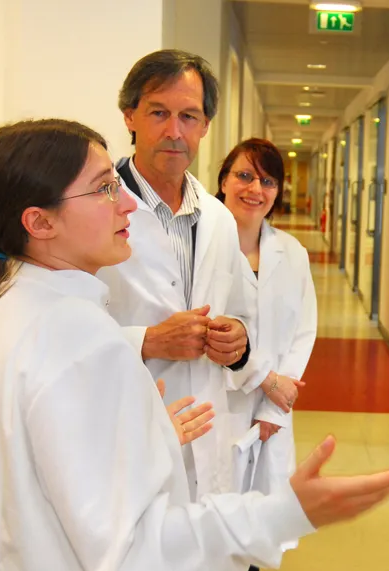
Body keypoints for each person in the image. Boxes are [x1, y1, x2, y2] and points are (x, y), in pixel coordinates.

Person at [0, 118, 389, 571]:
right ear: (40, 222)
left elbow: (30, 479)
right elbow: (135, 555)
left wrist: (144, 439)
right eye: (105, 188)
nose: (127, 203)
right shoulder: (80, 341)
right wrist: (286, 512)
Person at [97, 50, 271, 506]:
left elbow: (242, 312)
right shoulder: (95, 211)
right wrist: (147, 340)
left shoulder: (218, 218)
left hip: (208, 429)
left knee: (200, 560)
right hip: (124, 427)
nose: (175, 131)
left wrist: (238, 340)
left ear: (205, 125)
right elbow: (61, 330)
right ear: (130, 116)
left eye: (189, 116)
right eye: (159, 113)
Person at [207, 139, 318, 571]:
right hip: (212, 411)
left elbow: (303, 330)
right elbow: (209, 331)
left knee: (251, 536)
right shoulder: (202, 246)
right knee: (206, 534)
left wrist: (275, 405)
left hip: (268, 419)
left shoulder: (291, 253)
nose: (255, 189)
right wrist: (265, 379)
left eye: (267, 180)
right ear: (224, 180)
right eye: (244, 176)